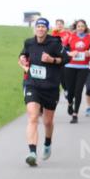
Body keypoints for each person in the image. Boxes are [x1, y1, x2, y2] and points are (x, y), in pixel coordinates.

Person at [19, 18, 64, 166]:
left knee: (48, 121)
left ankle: (47, 143)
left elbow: (66, 59)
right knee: (32, 117)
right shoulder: (29, 42)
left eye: (43, 27)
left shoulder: (55, 43)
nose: (40, 29)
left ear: (47, 29)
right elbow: (24, 55)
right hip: (32, 84)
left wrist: (52, 60)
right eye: (38, 26)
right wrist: (22, 59)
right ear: (35, 29)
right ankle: (32, 152)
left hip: (50, 87)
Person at [63, 19, 90, 123]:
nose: (80, 28)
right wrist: (70, 54)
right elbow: (63, 50)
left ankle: (75, 114)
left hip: (83, 67)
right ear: (76, 27)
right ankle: (69, 103)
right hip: (70, 66)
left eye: (82, 26)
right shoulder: (70, 37)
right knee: (70, 91)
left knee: (78, 91)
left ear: (85, 27)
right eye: (79, 26)